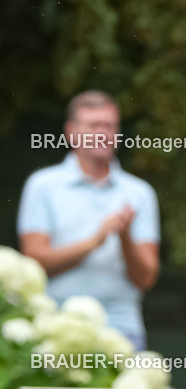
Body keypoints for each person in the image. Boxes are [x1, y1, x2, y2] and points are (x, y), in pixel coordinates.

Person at [17, 90, 160, 349]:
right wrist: (94, 242)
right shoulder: (42, 186)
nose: (103, 133)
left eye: (110, 125)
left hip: (121, 332)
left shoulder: (140, 193)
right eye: (94, 125)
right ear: (71, 132)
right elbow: (34, 261)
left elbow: (146, 279)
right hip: (54, 330)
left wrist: (125, 237)